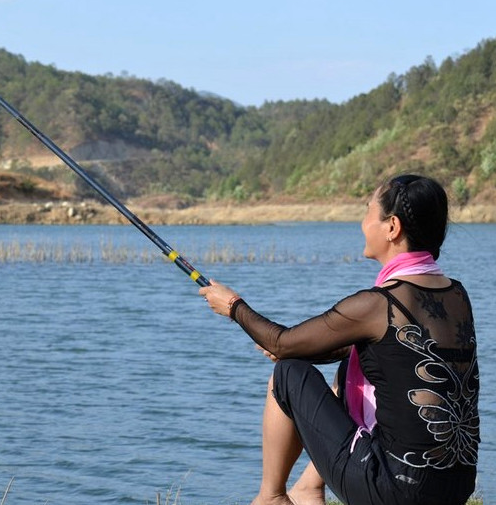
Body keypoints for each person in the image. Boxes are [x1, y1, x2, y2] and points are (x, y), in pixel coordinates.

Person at [199, 175, 480, 505]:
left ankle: (271, 497)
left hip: (396, 491)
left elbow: (281, 343)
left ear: (392, 227)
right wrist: (303, 348)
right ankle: (308, 488)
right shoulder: (457, 295)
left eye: (367, 211)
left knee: (288, 373)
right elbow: (393, 350)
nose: (362, 223)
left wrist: (233, 306)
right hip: (455, 488)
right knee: (351, 363)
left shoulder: (378, 304)